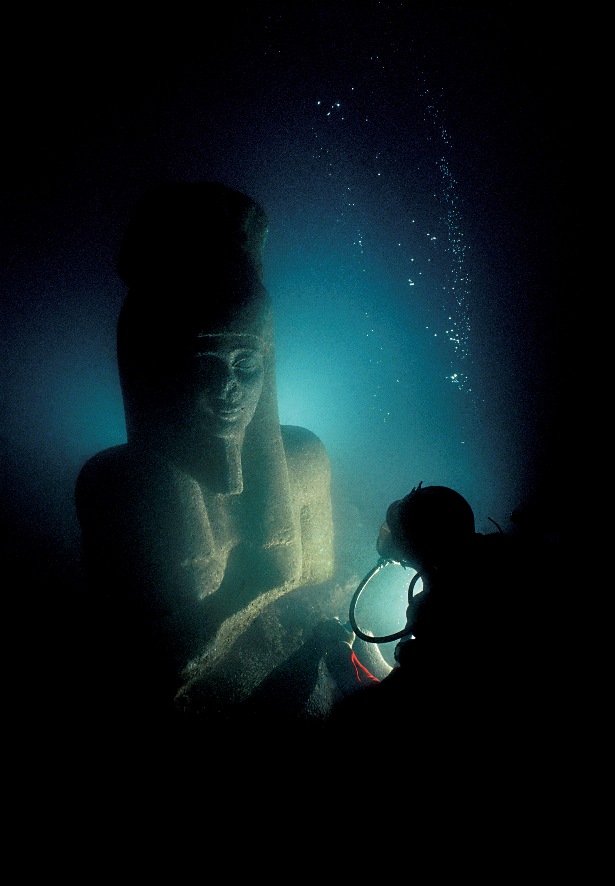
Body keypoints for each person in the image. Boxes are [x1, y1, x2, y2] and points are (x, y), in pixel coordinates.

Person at [75, 182, 337, 732]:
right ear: (159, 370)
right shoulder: (113, 486)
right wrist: (245, 593)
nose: (229, 389)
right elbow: (132, 677)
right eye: (205, 365)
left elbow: (320, 603)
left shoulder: (304, 457)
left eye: (246, 365)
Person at [324, 482, 560, 781]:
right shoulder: (500, 558)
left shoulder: (445, 610)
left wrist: (341, 656)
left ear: (417, 545)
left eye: (398, 534)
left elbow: (392, 705)